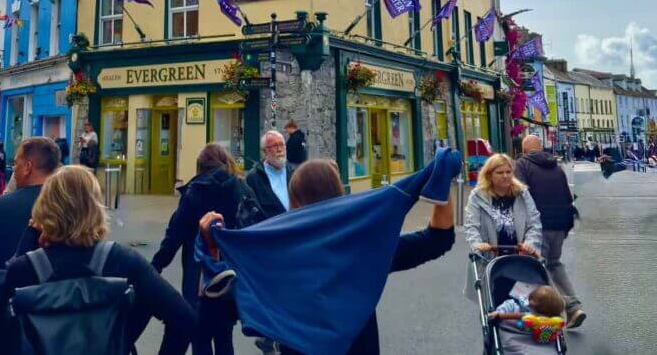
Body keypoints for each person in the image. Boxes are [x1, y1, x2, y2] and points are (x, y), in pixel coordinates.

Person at [199, 157, 456, 354]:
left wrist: (213, 251)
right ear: (342, 196)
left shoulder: (276, 256)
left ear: (295, 203)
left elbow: (216, 311)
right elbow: (438, 239)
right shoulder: (363, 248)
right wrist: (442, 179)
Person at [0, 165, 195, 354]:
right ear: (95, 207)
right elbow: (183, 319)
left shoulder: (25, 268)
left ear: (46, 206)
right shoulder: (123, 261)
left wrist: (28, 240)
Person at [152, 144, 259, 355]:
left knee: (200, 337)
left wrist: (155, 266)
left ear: (200, 166)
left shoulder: (195, 191)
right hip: (229, 272)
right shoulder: (240, 188)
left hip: (197, 274)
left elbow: (175, 234)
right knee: (224, 335)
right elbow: (253, 230)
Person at [515, 135, 585, 328]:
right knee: (554, 263)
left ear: (523, 150)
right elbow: (567, 196)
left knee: (539, 266)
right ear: (541, 148)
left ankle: (564, 306)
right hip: (561, 224)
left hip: (540, 225)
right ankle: (574, 306)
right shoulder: (556, 166)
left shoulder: (522, 165)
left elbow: (521, 194)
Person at [0, 136, 61, 272]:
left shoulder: (1, 206)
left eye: (16, 163)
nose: (14, 168)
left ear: (27, 167)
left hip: (6, 287)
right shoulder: (67, 206)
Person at [464, 153, 543, 303]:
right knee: (494, 306)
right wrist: (477, 244)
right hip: (490, 261)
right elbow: (471, 226)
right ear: (489, 175)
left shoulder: (522, 194)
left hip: (520, 259)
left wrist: (530, 243)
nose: (505, 176)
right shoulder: (477, 196)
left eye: (508, 172)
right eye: (500, 173)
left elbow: (534, 223)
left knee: (523, 305)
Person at [244, 130, 296, 221]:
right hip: (271, 230)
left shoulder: (295, 172)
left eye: (282, 145)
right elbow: (253, 211)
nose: (280, 150)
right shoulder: (254, 178)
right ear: (265, 151)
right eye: (275, 146)